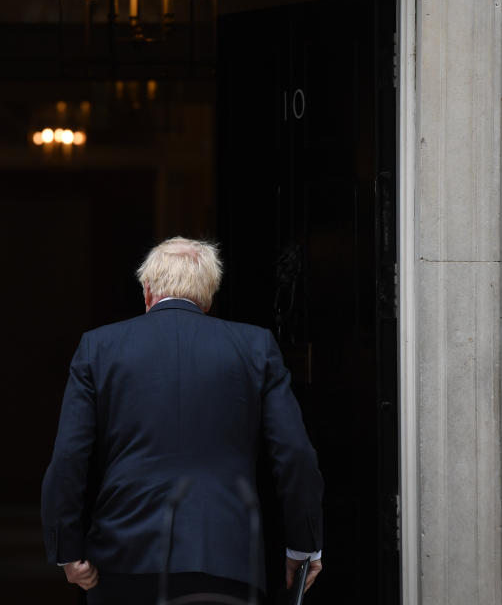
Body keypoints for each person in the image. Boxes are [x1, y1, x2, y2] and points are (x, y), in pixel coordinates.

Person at [42, 237, 324, 604]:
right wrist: (303, 548)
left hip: (123, 559)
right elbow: (295, 453)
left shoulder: (98, 348)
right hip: (225, 558)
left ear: (147, 292)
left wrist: (68, 548)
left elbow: (69, 457)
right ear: (208, 298)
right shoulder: (255, 346)